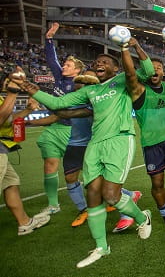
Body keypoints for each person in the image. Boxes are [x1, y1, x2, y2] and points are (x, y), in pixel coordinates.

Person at [23, 46, 153, 268]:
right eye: (97, 61)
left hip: (119, 140)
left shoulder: (121, 81)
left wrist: (131, 47)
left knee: (111, 196)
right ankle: (102, 247)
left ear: (115, 68)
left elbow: (147, 71)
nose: (99, 63)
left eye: (105, 61)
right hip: (95, 144)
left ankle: (142, 218)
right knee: (93, 194)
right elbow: (57, 104)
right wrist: (30, 88)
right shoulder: (89, 91)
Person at [123, 43, 165, 231]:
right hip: (151, 143)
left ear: (163, 73)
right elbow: (130, 74)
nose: (155, 69)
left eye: (159, 67)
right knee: (157, 182)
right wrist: (135, 48)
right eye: (152, 67)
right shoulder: (138, 90)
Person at [37, 22, 84, 216]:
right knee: (50, 163)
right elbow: (51, 59)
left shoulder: (79, 85)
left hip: (74, 130)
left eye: (69, 65)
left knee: (79, 171)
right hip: (55, 127)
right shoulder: (60, 78)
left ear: (77, 71)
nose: (64, 66)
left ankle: (100, 198)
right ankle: (53, 203)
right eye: (64, 64)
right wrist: (49, 39)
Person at [0, 72, 52, 236]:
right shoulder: (8, 95)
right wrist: (12, 93)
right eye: (11, 81)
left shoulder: (3, 100)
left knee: (11, 184)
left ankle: (25, 223)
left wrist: (28, 109)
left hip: (2, 148)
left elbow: (9, 119)